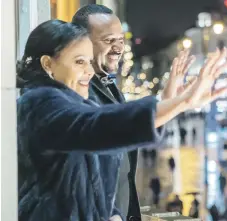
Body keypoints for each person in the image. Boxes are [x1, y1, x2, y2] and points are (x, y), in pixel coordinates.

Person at [17, 19, 227, 221]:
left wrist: (111, 213)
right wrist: (181, 102)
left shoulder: (72, 104)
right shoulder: (39, 104)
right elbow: (102, 126)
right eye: (79, 61)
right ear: (47, 64)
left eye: (90, 61)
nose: (89, 71)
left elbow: (95, 171)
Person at [72, 4, 195, 220]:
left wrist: (167, 100)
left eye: (121, 40)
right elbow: (112, 131)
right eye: (109, 40)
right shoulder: (78, 89)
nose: (118, 48)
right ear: (81, 42)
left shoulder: (107, 85)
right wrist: (177, 103)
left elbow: (126, 132)